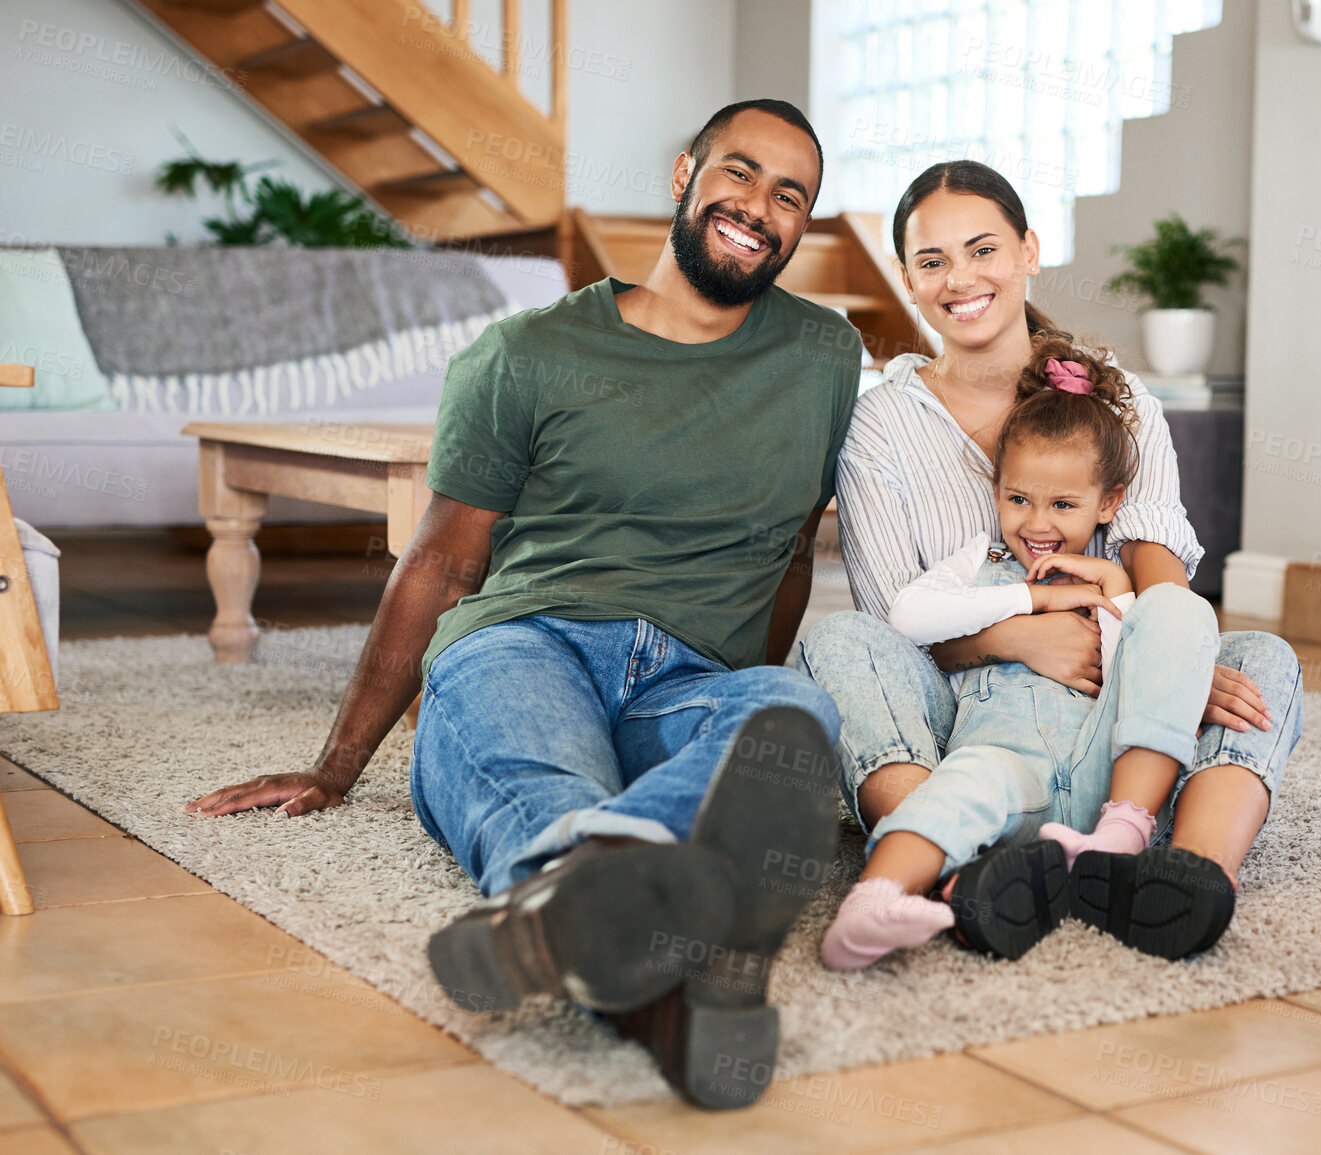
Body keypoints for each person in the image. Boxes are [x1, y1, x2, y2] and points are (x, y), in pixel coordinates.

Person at [183, 100, 863, 1110]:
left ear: (803, 223)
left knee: (791, 720)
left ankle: (572, 909)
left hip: (684, 685)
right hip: (529, 644)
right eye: (740, 173)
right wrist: (337, 766)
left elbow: (792, 557)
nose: (758, 207)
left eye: (789, 195)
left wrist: (738, 680)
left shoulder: (824, 358)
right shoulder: (527, 353)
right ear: (684, 173)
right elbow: (442, 565)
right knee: (534, 761)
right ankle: (674, 963)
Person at [797, 160, 1303, 963]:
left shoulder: (1118, 398)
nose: (959, 278)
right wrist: (1019, 635)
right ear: (907, 278)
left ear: (1028, 250)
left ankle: (1179, 877)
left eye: (983, 249)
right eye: (932, 261)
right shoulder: (882, 424)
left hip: (1120, 703)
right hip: (969, 719)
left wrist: (1172, 659)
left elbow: (1153, 550)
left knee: (1263, 660)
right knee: (834, 646)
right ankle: (962, 870)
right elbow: (894, 619)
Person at [821, 343, 1223, 970]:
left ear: (1109, 503)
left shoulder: (1119, 582)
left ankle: (1119, 842)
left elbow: (1140, 683)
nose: (1037, 523)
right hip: (1009, 771)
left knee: (1182, 610)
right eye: (1018, 499)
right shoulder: (976, 564)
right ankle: (876, 899)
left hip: (1103, 777)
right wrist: (1028, 599)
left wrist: (1115, 593)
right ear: (997, 489)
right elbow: (907, 617)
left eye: (1064, 505)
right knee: (962, 781)